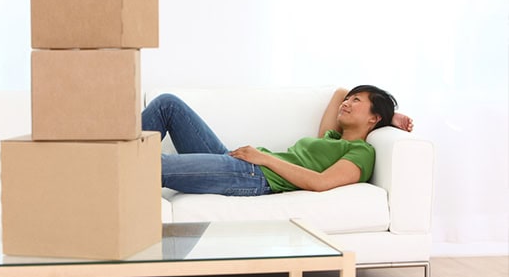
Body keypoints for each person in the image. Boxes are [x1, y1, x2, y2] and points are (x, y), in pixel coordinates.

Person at [141, 85, 413, 196]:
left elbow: (320, 183)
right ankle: (105, 156)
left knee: (155, 165)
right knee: (168, 104)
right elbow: (339, 91)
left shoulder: (360, 151)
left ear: (373, 118)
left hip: (256, 176)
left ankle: (103, 173)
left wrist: (263, 158)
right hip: (242, 162)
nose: (346, 102)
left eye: (357, 101)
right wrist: (391, 116)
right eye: (349, 100)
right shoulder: (331, 137)